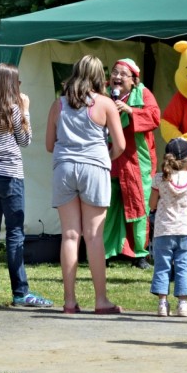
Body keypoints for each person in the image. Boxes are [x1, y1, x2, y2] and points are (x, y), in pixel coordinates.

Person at [45, 55, 126, 314]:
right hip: (94, 168)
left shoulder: (58, 104)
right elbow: (120, 145)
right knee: (93, 236)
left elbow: (49, 145)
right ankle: (101, 300)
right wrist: (105, 157)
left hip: (64, 168)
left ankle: (69, 301)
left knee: (70, 235)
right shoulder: (105, 104)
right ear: (99, 76)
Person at [0, 64, 52, 308]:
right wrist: (26, 110)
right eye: (17, 82)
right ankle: (20, 292)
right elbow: (25, 141)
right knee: (14, 234)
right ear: (10, 85)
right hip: (10, 176)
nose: (20, 86)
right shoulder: (14, 110)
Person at [102, 58, 161, 270]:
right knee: (107, 206)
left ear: (134, 80)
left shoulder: (143, 94)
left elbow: (155, 118)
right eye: (114, 72)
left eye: (122, 74)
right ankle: (104, 253)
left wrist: (130, 110)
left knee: (139, 205)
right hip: (110, 157)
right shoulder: (104, 93)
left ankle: (139, 254)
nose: (117, 77)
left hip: (137, 160)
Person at [149, 138, 187, 317]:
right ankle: (183, 304)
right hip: (185, 230)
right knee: (183, 266)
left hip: (163, 229)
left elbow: (152, 204)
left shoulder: (159, 178)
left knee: (162, 266)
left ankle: (162, 304)